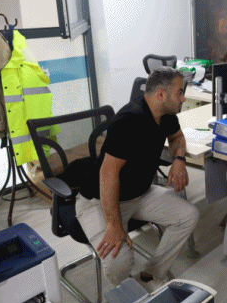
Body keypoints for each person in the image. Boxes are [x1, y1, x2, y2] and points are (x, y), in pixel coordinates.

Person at [76, 67, 199, 288]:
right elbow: (108, 173)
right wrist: (113, 224)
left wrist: (179, 159)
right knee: (119, 263)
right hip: (100, 200)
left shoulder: (166, 115)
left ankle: (152, 273)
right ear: (161, 94)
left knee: (188, 215)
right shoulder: (130, 120)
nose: (183, 98)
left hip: (140, 194)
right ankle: (127, 294)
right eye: (180, 92)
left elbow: (177, 137)